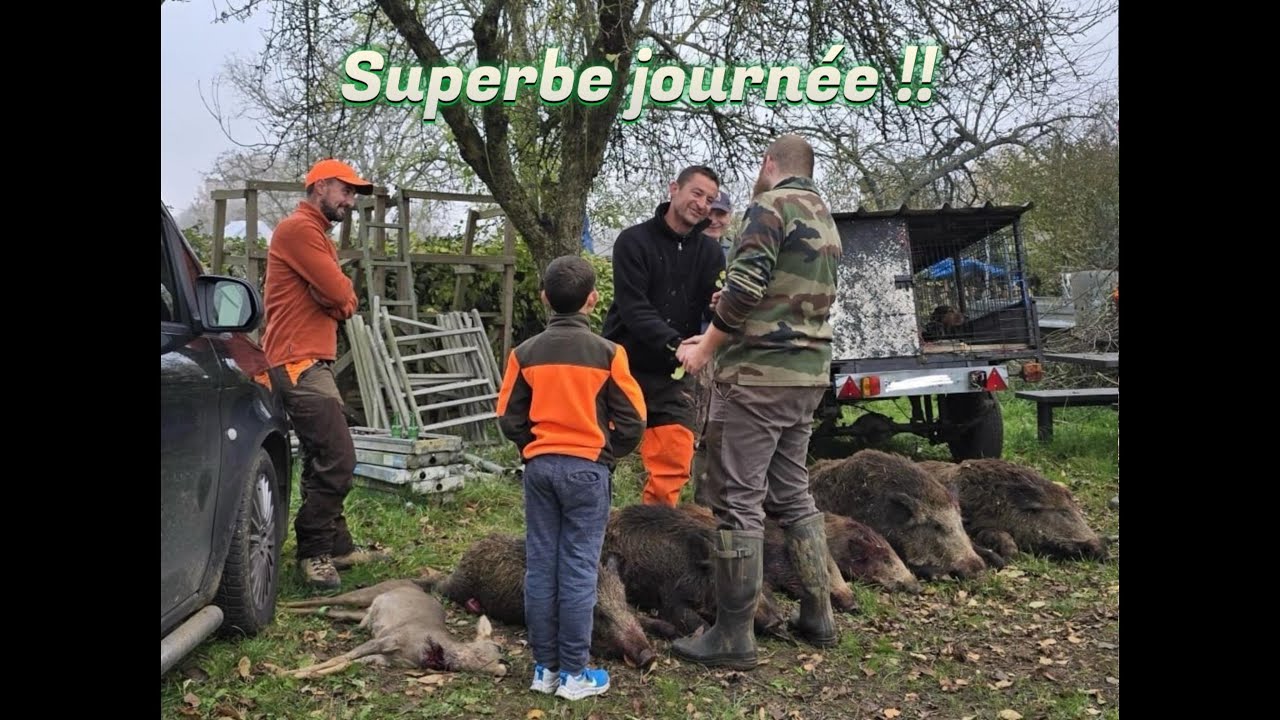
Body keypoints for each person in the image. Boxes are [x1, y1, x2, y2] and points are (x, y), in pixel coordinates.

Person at [670, 135, 843, 669]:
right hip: (807, 375)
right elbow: (782, 293)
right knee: (793, 493)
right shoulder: (823, 215)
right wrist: (732, 303)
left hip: (759, 378)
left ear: (770, 164)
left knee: (739, 500)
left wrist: (705, 346)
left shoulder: (769, 206)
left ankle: (733, 635)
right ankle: (818, 614)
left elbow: (745, 289)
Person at [496, 255, 647, 701]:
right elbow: (634, 420)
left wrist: (532, 446)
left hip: (540, 469)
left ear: (544, 298)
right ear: (593, 300)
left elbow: (507, 417)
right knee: (580, 569)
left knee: (541, 566)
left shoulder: (523, 354)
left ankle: (544, 669)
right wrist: (607, 452)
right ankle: (574, 674)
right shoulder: (610, 354)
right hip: (587, 471)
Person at [261, 158, 388, 590]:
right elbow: (340, 293)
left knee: (324, 453)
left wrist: (338, 298)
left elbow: (342, 299)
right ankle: (314, 551)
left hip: (311, 360)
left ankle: (337, 544)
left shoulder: (315, 235)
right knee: (338, 456)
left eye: (353, 194)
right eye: (345, 190)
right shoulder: (299, 230)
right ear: (320, 186)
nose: (350, 201)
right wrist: (337, 297)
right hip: (297, 361)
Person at [601, 166, 726, 507]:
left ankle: (655, 527)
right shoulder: (633, 241)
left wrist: (718, 306)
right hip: (624, 364)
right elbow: (634, 308)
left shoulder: (711, 253)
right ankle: (593, 521)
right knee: (599, 452)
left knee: (673, 458)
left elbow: (711, 307)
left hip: (672, 373)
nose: (702, 204)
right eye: (697, 193)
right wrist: (675, 344)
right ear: (674, 189)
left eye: (710, 200)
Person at [705, 189, 734, 257]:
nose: (713, 221)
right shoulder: (682, 247)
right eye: (707, 214)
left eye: (720, 214)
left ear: (729, 218)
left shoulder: (736, 252)